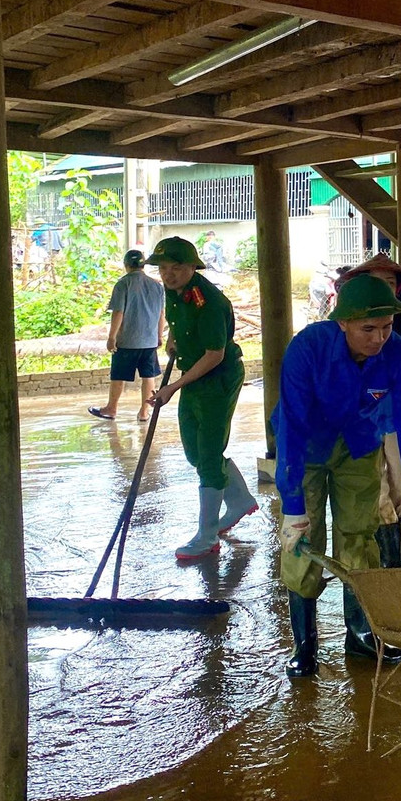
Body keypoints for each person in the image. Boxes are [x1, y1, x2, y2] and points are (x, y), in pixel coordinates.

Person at [273, 275, 401, 678]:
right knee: (304, 542)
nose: (379, 338)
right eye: (368, 329)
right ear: (342, 322)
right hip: (306, 447)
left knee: (360, 535)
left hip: (359, 444)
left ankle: (361, 635)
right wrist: (292, 506)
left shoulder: (398, 354)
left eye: (387, 327)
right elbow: (290, 425)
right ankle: (305, 645)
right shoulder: (308, 349)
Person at [143, 237, 252, 560]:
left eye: (177, 267)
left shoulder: (210, 302)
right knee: (194, 450)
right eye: (163, 268)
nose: (169, 274)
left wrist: (172, 387)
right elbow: (176, 317)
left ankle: (206, 537)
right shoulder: (173, 291)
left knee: (208, 454)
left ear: (193, 267)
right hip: (194, 375)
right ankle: (240, 500)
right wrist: (173, 339)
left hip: (217, 378)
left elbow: (215, 355)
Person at [337, 253, 401, 567]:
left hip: (398, 417)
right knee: (372, 490)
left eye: (389, 283)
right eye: (374, 283)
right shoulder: (341, 331)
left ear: (399, 288)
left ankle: (395, 554)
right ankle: (382, 564)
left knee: (400, 485)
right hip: (359, 422)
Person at [89, 249, 165, 422]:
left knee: (118, 375)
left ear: (126, 265)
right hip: (149, 341)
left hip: (127, 341)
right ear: (143, 265)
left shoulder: (123, 284)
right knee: (148, 377)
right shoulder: (157, 286)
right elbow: (162, 313)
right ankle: (144, 412)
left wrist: (111, 337)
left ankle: (111, 409)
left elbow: (118, 312)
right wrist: (159, 336)